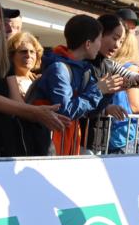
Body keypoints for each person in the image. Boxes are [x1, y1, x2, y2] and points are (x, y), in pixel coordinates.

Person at [0, 0, 69, 157]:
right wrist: (35, 112)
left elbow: (16, 101)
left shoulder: (2, 58)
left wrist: (42, 114)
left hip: (4, 144)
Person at [29, 15, 108, 155]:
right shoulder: (59, 69)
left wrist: (109, 91)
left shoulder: (84, 70)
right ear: (88, 44)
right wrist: (98, 90)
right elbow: (66, 111)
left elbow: (89, 112)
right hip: (49, 145)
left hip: (68, 145)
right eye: (99, 40)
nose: (100, 45)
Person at [109, 23, 139, 153]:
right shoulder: (131, 69)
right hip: (124, 136)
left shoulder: (110, 67)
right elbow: (136, 107)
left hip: (109, 135)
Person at [6, 31, 44, 102]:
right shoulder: (5, 81)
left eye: (32, 52)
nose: (28, 55)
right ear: (11, 56)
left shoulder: (39, 79)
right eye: (23, 51)